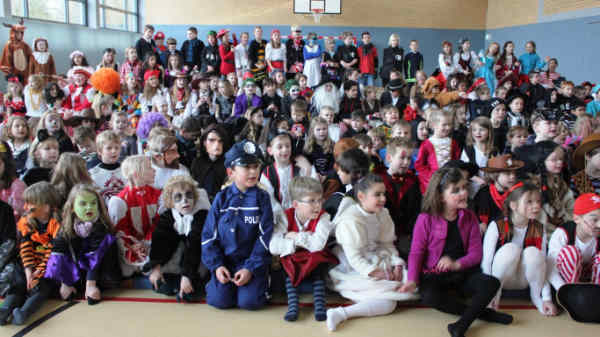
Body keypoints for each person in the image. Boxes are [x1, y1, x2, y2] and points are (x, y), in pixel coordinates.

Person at [401, 168, 513, 337]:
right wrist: (412, 280)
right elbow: (416, 252)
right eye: (456, 190)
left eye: (464, 188)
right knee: (429, 297)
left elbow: (476, 254)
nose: (464, 193)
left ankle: (460, 325)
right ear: (440, 197)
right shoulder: (426, 218)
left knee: (491, 283)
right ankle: (483, 314)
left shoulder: (469, 217)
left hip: (462, 274)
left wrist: (456, 264)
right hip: (434, 275)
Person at [326, 174, 417, 331]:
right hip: (351, 264)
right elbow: (355, 258)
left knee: (411, 282)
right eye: (377, 195)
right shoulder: (350, 220)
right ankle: (342, 313)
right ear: (361, 196)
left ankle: (352, 307)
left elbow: (386, 243)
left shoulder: (383, 214)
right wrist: (377, 272)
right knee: (389, 303)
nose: (383, 199)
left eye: (384, 194)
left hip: (376, 257)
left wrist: (397, 264)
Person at [201, 140, 273, 310]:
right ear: (231, 172)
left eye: (256, 166)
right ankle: (215, 282)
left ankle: (263, 283)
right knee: (219, 301)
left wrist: (250, 268)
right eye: (246, 167)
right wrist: (217, 266)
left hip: (252, 263)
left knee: (249, 302)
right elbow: (208, 235)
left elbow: (265, 237)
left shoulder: (262, 198)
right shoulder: (221, 198)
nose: (253, 171)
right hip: (225, 262)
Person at [481, 182, 557, 316]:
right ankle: (495, 297)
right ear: (513, 205)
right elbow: (486, 263)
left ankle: (536, 297)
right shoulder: (496, 225)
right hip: (500, 280)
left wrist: (547, 298)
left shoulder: (539, 228)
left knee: (533, 252)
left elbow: (543, 264)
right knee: (511, 249)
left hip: (525, 280)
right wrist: (488, 294)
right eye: (529, 202)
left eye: (538, 201)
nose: (536, 206)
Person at [269, 176, 337, 321]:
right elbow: (274, 246)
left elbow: (318, 245)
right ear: (296, 204)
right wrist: (302, 240)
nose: (318, 205)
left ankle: (320, 304)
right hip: (293, 257)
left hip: (314, 259)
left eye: (320, 200)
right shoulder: (285, 216)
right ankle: (293, 305)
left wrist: (295, 236)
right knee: (288, 261)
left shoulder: (323, 218)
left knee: (317, 260)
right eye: (312, 201)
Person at [44, 184, 120, 305]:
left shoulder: (101, 227)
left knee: (106, 243)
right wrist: (65, 283)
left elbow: (94, 257)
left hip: (99, 275)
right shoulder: (65, 228)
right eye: (83, 204)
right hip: (77, 274)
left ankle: (88, 285)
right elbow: (59, 253)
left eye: (93, 203)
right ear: (72, 207)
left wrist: (90, 285)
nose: (89, 208)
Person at [148, 175, 210, 302]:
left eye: (189, 195)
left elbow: (194, 246)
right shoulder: (168, 216)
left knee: (192, 291)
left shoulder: (201, 215)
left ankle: (191, 281)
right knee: (164, 285)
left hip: (197, 260)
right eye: (178, 197)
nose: (185, 201)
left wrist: (187, 276)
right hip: (176, 260)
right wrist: (156, 267)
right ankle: (178, 282)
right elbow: (159, 242)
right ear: (170, 201)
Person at [9, 182, 61, 325]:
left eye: (30, 203)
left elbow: (52, 253)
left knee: (41, 287)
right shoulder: (26, 222)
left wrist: (37, 274)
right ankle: (6, 308)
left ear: (45, 206)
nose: (25, 207)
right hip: (30, 265)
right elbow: (25, 248)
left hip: (47, 265)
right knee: (18, 281)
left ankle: (23, 313)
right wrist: (28, 273)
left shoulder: (56, 224)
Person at [108, 155, 159, 278]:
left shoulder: (158, 195)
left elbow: (159, 223)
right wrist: (133, 246)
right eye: (149, 168)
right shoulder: (120, 200)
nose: (154, 170)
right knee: (127, 269)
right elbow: (120, 230)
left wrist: (147, 243)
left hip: (153, 242)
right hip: (131, 246)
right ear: (136, 174)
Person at [547, 193, 600, 290]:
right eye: (594, 220)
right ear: (577, 218)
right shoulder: (563, 233)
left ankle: (596, 294)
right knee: (571, 253)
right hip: (565, 283)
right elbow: (550, 268)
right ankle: (573, 294)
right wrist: (562, 289)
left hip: (589, 280)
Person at [415, 109, 461, 193]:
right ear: (434, 125)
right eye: (444, 125)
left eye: (449, 124)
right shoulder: (427, 144)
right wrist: (431, 177)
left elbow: (456, 161)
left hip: (450, 181)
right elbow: (420, 165)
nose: (448, 127)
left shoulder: (453, 143)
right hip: (433, 182)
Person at [474, 154, 523, 233]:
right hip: (490, 232)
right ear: (495, 175)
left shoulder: (518, 192)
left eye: (514, 173)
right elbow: (476, 214)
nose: (513, 176)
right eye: (508, 173)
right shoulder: (484, 193)